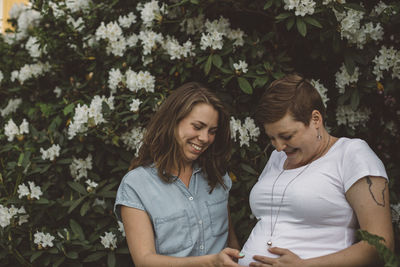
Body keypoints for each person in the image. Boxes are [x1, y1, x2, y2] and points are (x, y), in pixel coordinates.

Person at [238, 74, 394, 267]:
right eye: (272, 138)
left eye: (286, 136)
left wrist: (304, 265)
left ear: (315, 119)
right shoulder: (278, 157)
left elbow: (381, 245)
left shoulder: (351, 154)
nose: (278, 147)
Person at [114, 82, 244, 266]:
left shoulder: (216, 175)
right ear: (173, 121)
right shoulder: (136, 185)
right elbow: (145, 261)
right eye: (197, 127)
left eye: (212, 131)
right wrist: (211, 262)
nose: (205, 138)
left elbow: (230, 241)